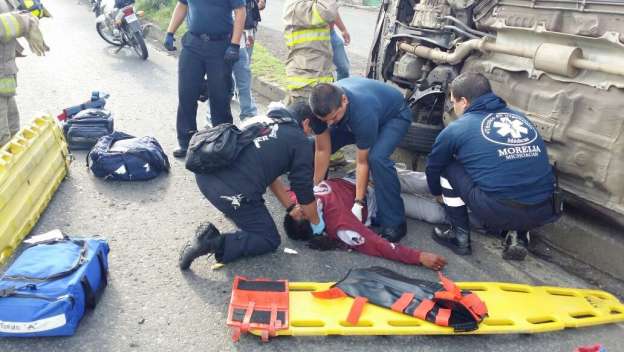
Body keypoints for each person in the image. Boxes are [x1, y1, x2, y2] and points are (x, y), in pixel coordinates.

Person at [426, 72, 561, 261]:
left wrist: (437, 193)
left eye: (453, 102)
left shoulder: (457, 129)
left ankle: (460, 237)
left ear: (463, 101)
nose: (453, 107)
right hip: (545, 209)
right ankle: (518, 235)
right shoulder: (521, 118)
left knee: (448, 166)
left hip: (499, 211)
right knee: (514, 167)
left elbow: (433, 167)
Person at [178, 104, 323, 270]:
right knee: (269, 239)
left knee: (245, 184)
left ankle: (234, 211)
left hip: (205, 172)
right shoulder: (300, 141)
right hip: (226, 190)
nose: (308, 134)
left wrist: (290, 207)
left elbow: (271, 174)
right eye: (311, 130)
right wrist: (316, 224)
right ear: (305, 123)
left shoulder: (264, 120)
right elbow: (303, 189)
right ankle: (212, 242)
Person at [309, 78, 411, 243]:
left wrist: (358, 203)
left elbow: (362, 162)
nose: (329, 123)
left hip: (394, 115)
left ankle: (395, 223)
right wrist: (316, 186)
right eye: (325, 120)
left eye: (333, 118)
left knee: (377, 158)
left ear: (344, 100)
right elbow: (322, 150)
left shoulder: (362, 113)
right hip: (354, 117)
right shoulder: (320, 110)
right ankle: (321, 195)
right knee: (311, 147)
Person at [283, 177, 447, 271]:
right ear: (314, 222)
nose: (300, 206)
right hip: (380, 203)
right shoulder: (340, 225)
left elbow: (282, 189)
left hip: (368, 177)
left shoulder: (298, 199)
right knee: (436, 213)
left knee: (431, 180)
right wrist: (419, 257)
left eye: (297, 208)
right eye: (303, 212)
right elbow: (378, 245)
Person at [163, 0, 246, 158]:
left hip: (220, 45)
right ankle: (186, 141)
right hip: (193, 43)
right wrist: (170, 32)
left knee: (219, 97)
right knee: (186, 93)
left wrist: (234, 45)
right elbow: (182, 5)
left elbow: (240, 11)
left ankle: (222, 142)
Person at [0, 0, 49, 147]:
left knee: (13, 132)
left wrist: (31, 10)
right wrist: (26, 21)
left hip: (5, 79)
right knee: (3, 138)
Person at [283, 0, 337, 105]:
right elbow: (328, 11)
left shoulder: (309, 5)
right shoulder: (296, 6)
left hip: (318, 78)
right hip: (305, 84)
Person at [330, 14, 350, 80]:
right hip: (308, 36)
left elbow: (333, 11)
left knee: (344, 69)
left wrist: (343, 30)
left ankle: (339, 88)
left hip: (330, 34)